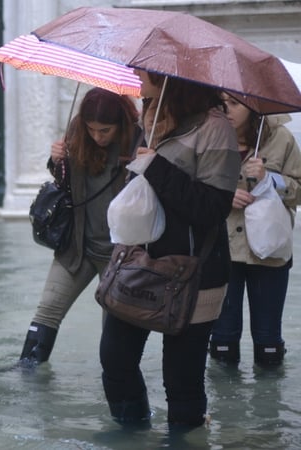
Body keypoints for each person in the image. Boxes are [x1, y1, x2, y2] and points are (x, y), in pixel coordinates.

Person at [99, 71, 240, 428]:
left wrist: (155, 166)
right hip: (137, 261)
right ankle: (132, 432)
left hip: (194, 271)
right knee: (115, 361)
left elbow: (212, 208)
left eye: (142, 72)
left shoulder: (215, 127)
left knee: (182, 381)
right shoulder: (151, 117)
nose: (134, 75)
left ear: (168, 79)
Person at [19, 87, 140, 365]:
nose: (97, 136)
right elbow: (64, 186)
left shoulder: (139, 138)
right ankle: (26, 375)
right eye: (91, 129)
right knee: (47, 311)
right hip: (78, 246)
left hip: (122, 256)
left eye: (105, 130)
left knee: (113, 334)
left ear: (120, 124)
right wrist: (57, 160)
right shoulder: (77, 132)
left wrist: (147, 163)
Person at [208, 93, 301, 367]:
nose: (228, 110)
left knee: (268, 344)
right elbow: (191, 186)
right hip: (221, 250)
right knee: (222, 343)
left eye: (235, 104)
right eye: (222, 103)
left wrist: (269, 179)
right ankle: (226, 408)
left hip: (270, 250)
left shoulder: (280, 138)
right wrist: (225, 195)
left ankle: (268, 408)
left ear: (252, 107)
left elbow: (299, 191)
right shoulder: (207, 135)